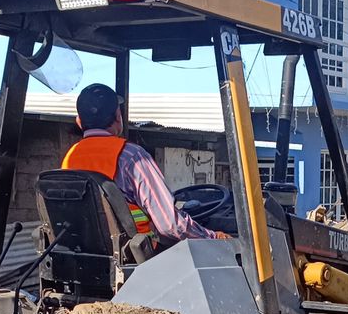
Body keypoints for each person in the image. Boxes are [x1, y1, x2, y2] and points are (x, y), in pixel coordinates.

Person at [62, 83, 227, 241]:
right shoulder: (132, 157)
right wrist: (212, 237)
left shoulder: (70, 158)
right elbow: (170, 224)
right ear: (118, 117)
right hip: (140, 259)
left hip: (88, 256)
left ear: (79, 121)